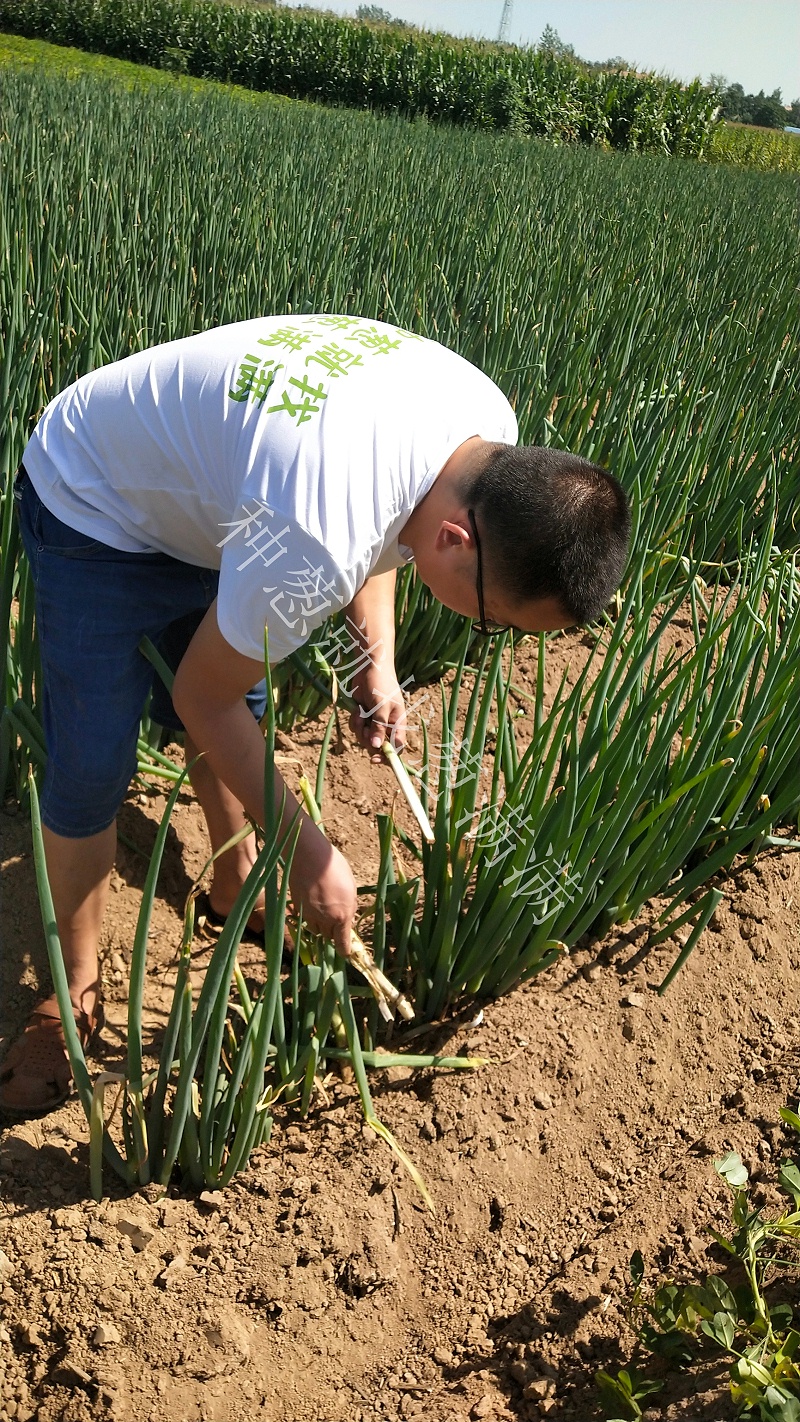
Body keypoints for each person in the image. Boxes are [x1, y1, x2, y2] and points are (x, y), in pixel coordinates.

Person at [1, 313, 630, 1114]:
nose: (488, 633)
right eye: (491, 618)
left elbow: (391, 523)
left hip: (224, 500)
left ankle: (233, 888)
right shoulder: (315, 532)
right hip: (97, 496)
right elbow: (206, 693)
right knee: (93, 761)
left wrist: (378, 663)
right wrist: (310, 855)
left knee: (243, 701)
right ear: (459, 539)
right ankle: (73, 995)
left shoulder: (482, 437)